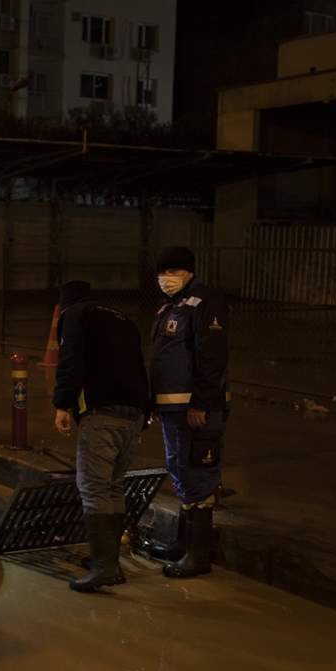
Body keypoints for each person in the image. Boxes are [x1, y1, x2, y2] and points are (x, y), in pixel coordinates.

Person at [52, 280, 152, 592]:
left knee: (94, 487)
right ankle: (108, 559)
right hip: (134, 413)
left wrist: (62, 404)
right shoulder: (124, 320)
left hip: (102, 412)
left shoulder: (75, 315)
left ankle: (105, 566)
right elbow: (139, 367)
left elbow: (69, 361)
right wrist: (143, 419)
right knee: (113, 486)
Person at [143, 246, 231, 578]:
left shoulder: (206, 303)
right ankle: (182, 546)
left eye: (173, 272)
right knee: (181, 472)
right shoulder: (172, 306)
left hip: (195, 408)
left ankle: (198, 557)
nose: (166, 278)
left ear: (189, 273)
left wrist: (203, 402)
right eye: (162, 273)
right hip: (173, 408)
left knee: (198, 474)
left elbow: (213, 355)